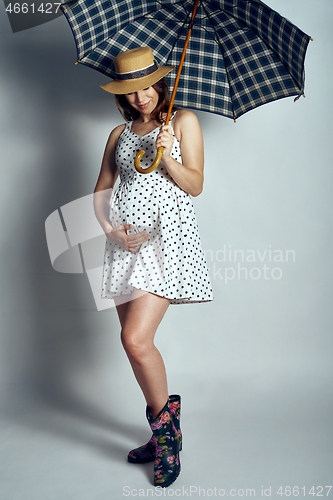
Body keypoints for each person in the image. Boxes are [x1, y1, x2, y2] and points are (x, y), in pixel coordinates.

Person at [93, 46, 213, 488]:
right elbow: (101, 190)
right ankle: (165, 430)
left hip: (167, 245)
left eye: (147, 87)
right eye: (131, 91)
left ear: (161, 82)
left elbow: (196, 186)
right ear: (121, 95)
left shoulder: (182, 122)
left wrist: (166, 155)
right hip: (123, 248)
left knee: (135, 339)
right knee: (132, 346)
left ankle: (166, 442)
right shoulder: (118, 134)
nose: (142, 97)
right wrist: (109, 230)